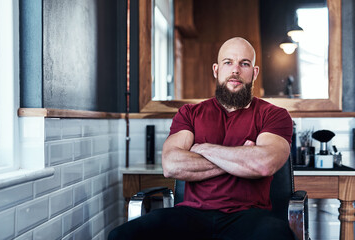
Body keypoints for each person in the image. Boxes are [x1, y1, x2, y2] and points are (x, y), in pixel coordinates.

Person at [108, 37, 295, 240]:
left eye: (244, 63)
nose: (235, 70)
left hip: (250, 217)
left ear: (254, 72)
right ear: (216, 69)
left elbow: (263, 164)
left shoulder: (274, 115)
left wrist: (203, 148)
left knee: (278, 235)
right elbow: (171, 165)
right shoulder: (190, 113)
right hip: (191, 215)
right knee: (121, 236)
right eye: (228, 62)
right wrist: (243, 158)